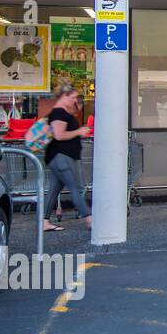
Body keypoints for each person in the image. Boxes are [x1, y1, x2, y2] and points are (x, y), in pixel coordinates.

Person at [44, 84, 93, 231]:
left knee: (54, 189)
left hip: (57, 157)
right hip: (62, 157)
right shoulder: (59, 112)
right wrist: (79, 131)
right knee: (76, 188)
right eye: (73, 97)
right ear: (64, 96)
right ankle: (89, 219)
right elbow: (59, 135)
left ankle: (43, 222)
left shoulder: (63, 112)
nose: (75, 100)